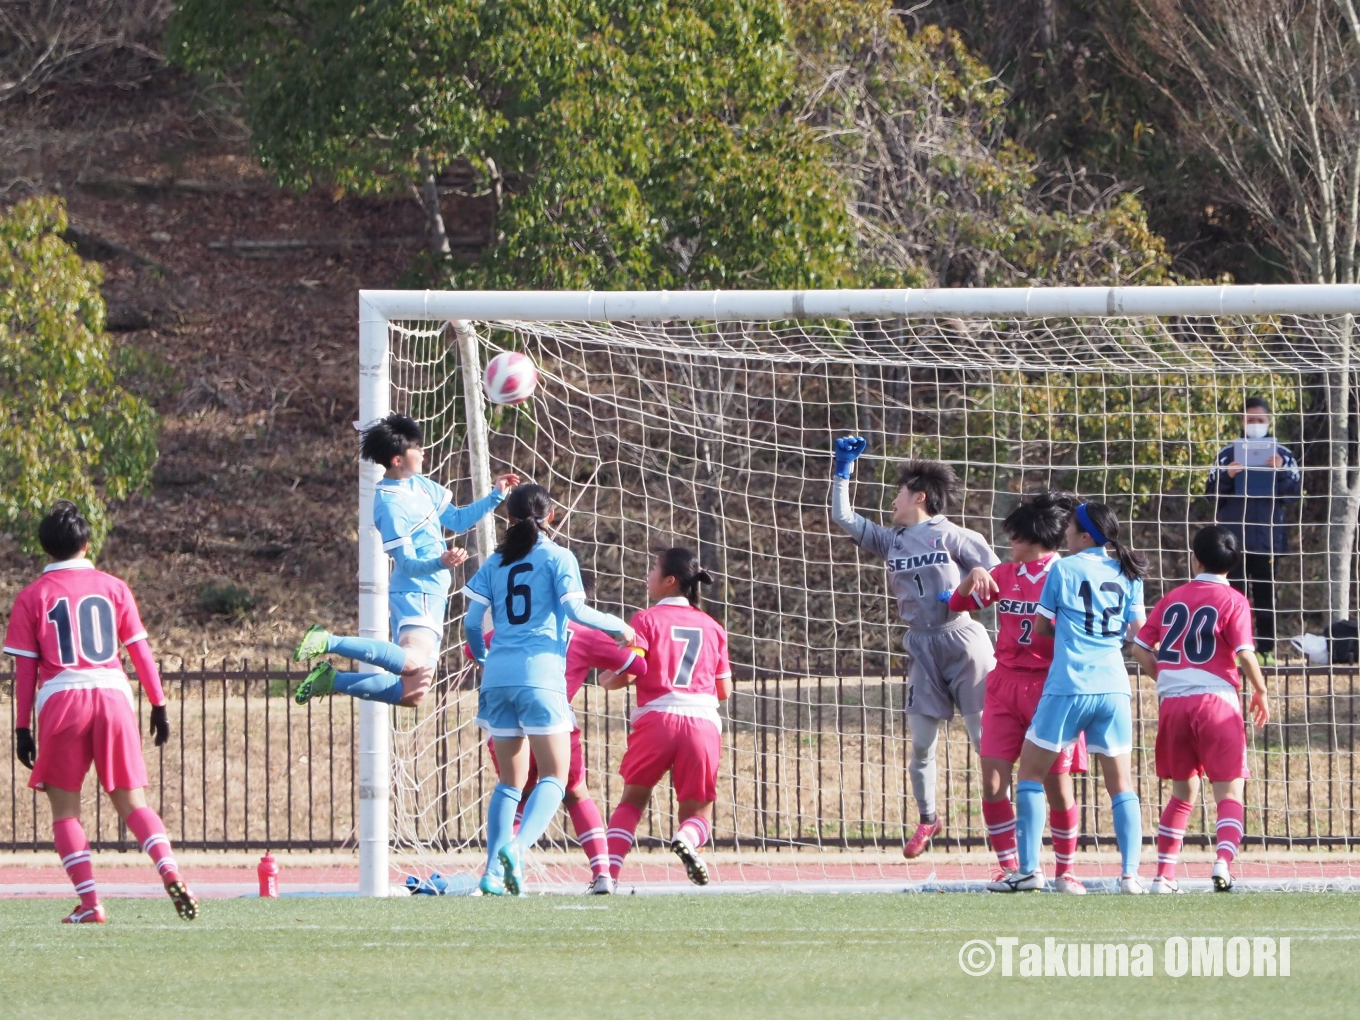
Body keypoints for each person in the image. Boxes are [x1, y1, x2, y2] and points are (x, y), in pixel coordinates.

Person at [3, 501, 196, 923]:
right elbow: (139, 651)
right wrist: (159, 704)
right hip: (112, 694)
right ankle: (169, 870)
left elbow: (25, 669)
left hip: (62, 698)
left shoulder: (31, 597)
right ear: (87, 542)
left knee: (66, 812)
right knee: (133, 804)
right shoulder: (113, 587)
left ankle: (91, 904)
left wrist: (21, 727)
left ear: (44, 549)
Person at [461, 484, 635, 896]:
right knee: (556, 777)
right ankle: (517, 851)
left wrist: (484, 658)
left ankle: (490, 873)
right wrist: (619, 625)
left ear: (507, 518)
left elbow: (471, 623)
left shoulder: (495, 562)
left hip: (497, 677)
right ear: (551, 516)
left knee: (509, 783)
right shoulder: (558, 556)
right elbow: (576, 611)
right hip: (540, 676)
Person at [830, 437, 1000, 858]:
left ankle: (1006, 824)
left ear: (919, 497)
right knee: (922, 743)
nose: (891, 502)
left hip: (964, 642)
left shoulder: (957, 536)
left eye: (898, 493)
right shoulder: (893, 540)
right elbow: (843, 516)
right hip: (922, 647)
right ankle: (928, 819)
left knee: (985, 742)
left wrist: (972, 581)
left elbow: (1000, 583)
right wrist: (842, 471)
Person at [293, 412, 518, 707]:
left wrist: (495, 496)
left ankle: (331, 679)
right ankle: (327, 641)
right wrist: (442, 561)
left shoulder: (421, 485)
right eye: (416, 448)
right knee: (412, 663)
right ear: (397, 460)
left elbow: (459, 520)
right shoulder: (389, 503)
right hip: (416, 592)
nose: (423, 452)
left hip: (434, 592)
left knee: (413, 693)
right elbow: (408, 564)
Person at [989, 501, 1149, 894]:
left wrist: (1072, 635)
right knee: (1121, 786)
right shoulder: (1128, 571)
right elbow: (1138, 632)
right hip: (1114, 686)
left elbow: (1042, 627)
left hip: (1068, 685)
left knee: (1029, 775)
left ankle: (1028, 871)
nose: (1064, 535)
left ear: (1083, 536)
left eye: (1071, 528)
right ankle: (1130, 876)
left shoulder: (1063, 569)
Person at [948, 491, 1090, 894]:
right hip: (1004, 684)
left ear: (1034, 536)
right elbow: (958, 604)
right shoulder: (1004, 575)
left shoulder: (1066, 574)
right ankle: (1012, 868)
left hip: (1051, 688)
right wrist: (972, 577)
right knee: (993, 782)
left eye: (1014, 537)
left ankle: (1066, 870)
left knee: (1056, 786)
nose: (1008, 543)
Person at [473, 572, 649, 894]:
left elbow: (473, 651)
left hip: (507, 718)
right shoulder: (586, 634)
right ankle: (603, 876)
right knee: (575, 792)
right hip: (554, 721)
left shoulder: (514, 628)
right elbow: (637, 668)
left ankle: (497, 871)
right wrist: (636, 649)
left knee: (516, 794)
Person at [1130, 525, 1270, 893]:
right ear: (1234, 563)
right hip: (1216, 702)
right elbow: (1243, 653)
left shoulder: (1174, 596)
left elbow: (1140, 648)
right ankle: (1222, 863)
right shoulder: (1235, 600)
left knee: (1181, 792)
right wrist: (1260, 689)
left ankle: (1163, 876)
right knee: (1229, 793)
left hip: (1174, 703)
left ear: (1195, 557)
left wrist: (1168, 676)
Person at [596, 548, 731, 889]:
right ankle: (686, 838)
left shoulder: (644, 619)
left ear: (670, 581)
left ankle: (606, 877)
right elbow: (724, 689)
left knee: (632, 801)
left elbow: (627, 674)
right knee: (698, 814)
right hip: (702, 723)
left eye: (653, 569)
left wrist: (605, 679)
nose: (648, 575)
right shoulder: (713, 627)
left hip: (657, 719)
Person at [1206, 396, 1301, 662]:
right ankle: (1233, 650)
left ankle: (1266, 651)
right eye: (1250, 419)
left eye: (1260, 419)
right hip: (1232, 542)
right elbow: (1210, 495)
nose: (1255, 424)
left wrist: (1280, 472)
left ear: (1269, 421)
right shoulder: (1226, 454)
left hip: (1267, 537)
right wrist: (1228, 476)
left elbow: (1293, 496)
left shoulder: (1283, 455)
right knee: (1233, 597)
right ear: (1241, 422)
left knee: (1265, 595)